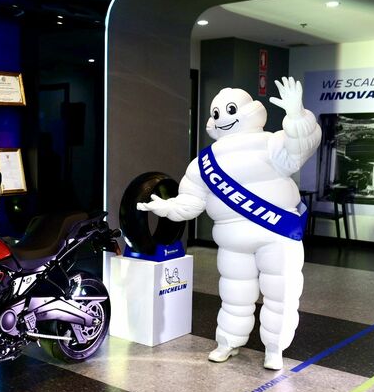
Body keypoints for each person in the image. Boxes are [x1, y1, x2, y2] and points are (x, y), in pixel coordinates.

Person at [137, 77, 320, 370]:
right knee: (234, 294)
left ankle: (274, 348)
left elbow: (300, 148)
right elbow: (192, 201)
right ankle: (228, 341)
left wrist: (297, 117)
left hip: (277, 234)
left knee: (281, 294)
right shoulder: (203, 162)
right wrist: (167, 207)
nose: (223, 117)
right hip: (232, 241)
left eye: (230, 110)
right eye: (217, 112)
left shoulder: (272, 143)